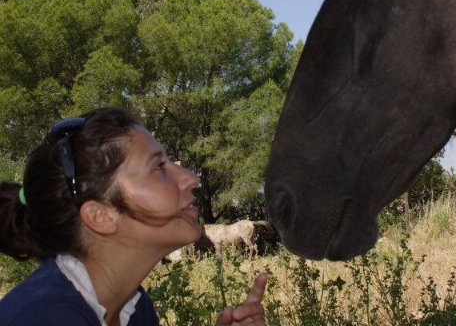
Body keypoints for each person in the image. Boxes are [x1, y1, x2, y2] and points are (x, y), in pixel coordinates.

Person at [0, 107, 267, 326]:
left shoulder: (135, 308)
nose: (191, 178)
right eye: (159, 167)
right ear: (100, 215)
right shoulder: (42, 319)